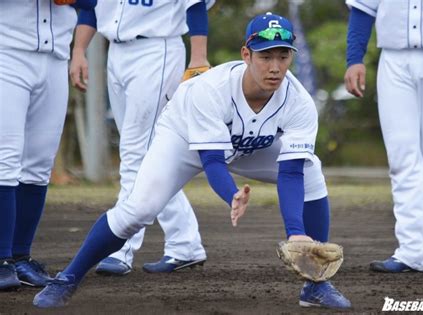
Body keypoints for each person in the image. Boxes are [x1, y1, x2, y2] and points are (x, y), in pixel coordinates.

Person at [33, 12, 351, 309]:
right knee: (138, 210)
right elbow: (213, 162)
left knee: (311, 170)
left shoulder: (299, 102)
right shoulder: (212, 89)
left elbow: (292, 172)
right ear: (246, 55)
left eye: (283, 56)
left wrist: (296, 232)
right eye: (265, 56)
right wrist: (232, 195)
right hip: (183, 139)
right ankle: (68, 277)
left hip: (250, 146)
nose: (275, 67)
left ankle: (315, 285)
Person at [70, 0, 215, 276]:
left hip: (156, 49)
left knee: (137, 154)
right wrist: (78, 50)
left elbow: (194, 5)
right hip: (115, 51)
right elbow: (91, 6)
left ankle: (121, 248)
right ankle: (185, 244)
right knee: (148, 155)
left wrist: (199, 57)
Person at [344, 0, 423, 272]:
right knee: (402, 157)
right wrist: (354, 59)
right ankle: (413, 251)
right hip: (394, 59)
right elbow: (363, 8)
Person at [0, 0, 96, 291]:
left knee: (40, 163)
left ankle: (20, 257)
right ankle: (1, 259)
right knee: (5, 159)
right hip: (7, 52)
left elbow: (90, 3)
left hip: (54, 57)